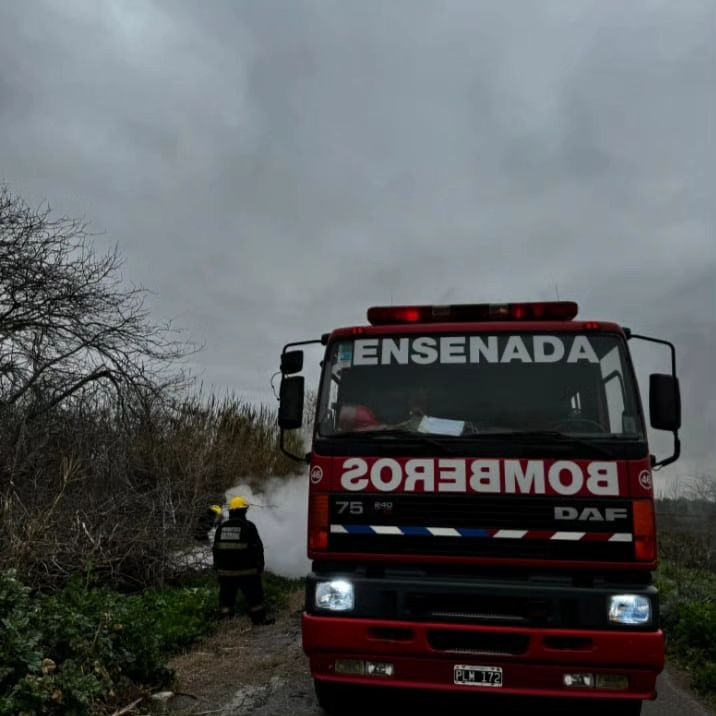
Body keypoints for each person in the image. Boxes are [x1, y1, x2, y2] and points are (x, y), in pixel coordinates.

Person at [212, 496, 274, 625]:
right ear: (243, 511)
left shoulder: (221, 528)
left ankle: (225, 622)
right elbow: (258, 548)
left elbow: (216, 550)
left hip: (226, 573)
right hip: (248, 572)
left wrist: (217, 568)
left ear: (231, 511)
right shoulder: (249, 526)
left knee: (226, 599)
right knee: (255, 598)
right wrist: (259, 566)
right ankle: (259, 620)